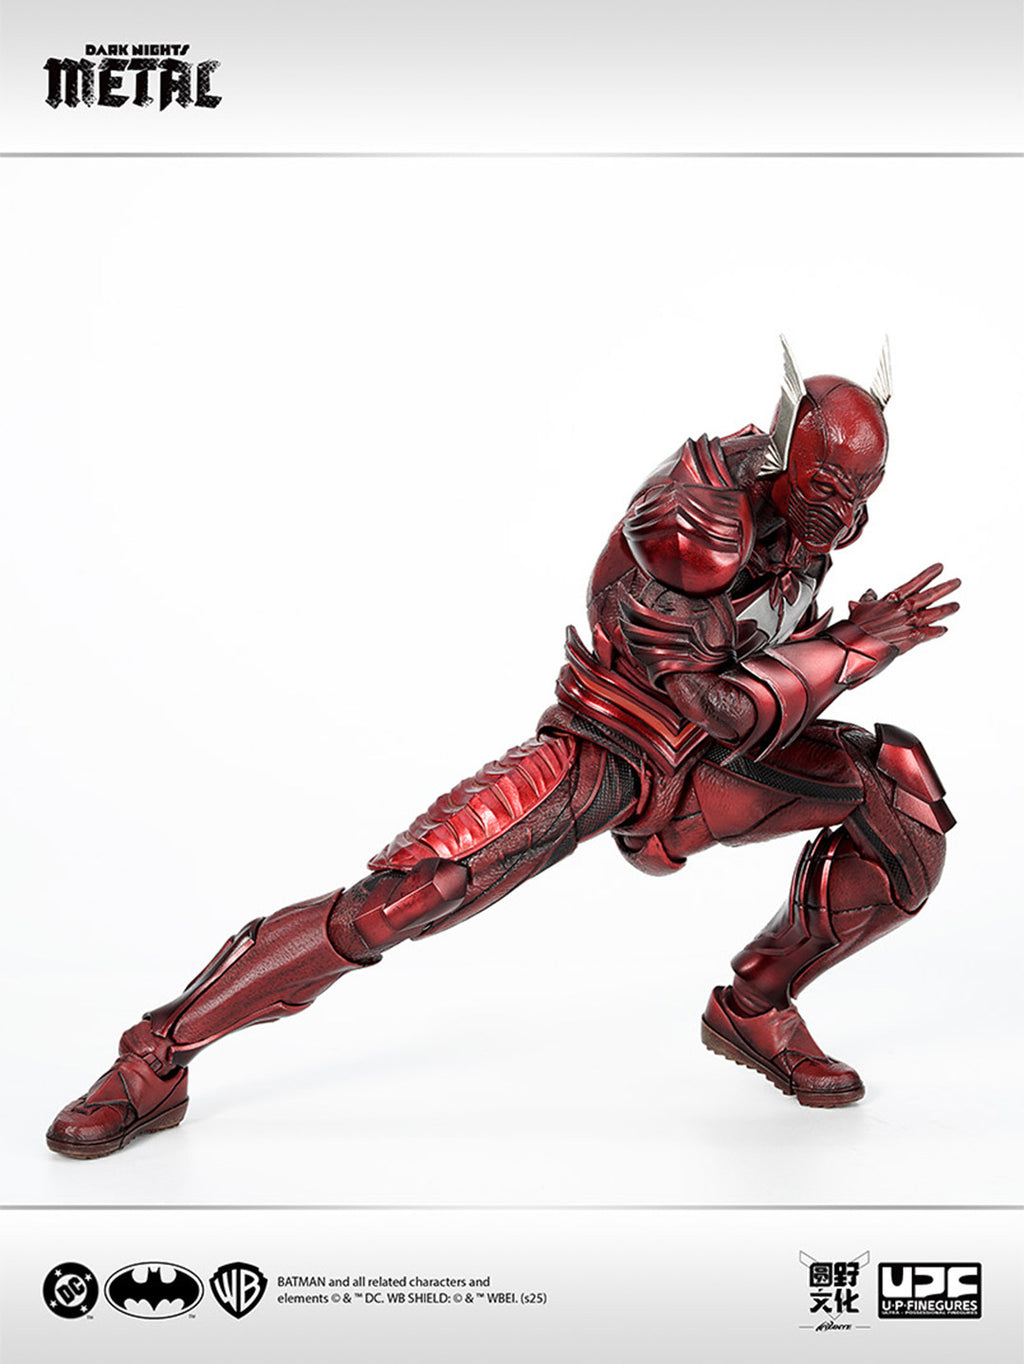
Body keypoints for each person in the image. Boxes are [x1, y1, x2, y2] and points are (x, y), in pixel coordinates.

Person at [47, 340, 958, 1158]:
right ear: (785, 449)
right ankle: (155, 1057)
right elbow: (722, 705)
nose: (844, 518)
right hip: (612, 745)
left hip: (707, 773)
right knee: (413, 892)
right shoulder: (693, 522)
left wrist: (834, 647)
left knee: (900, 794)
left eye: (862, 495)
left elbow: (757, 676)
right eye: (828, 491)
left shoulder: (810, 519)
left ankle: (755, 1007)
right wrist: (856, 646)